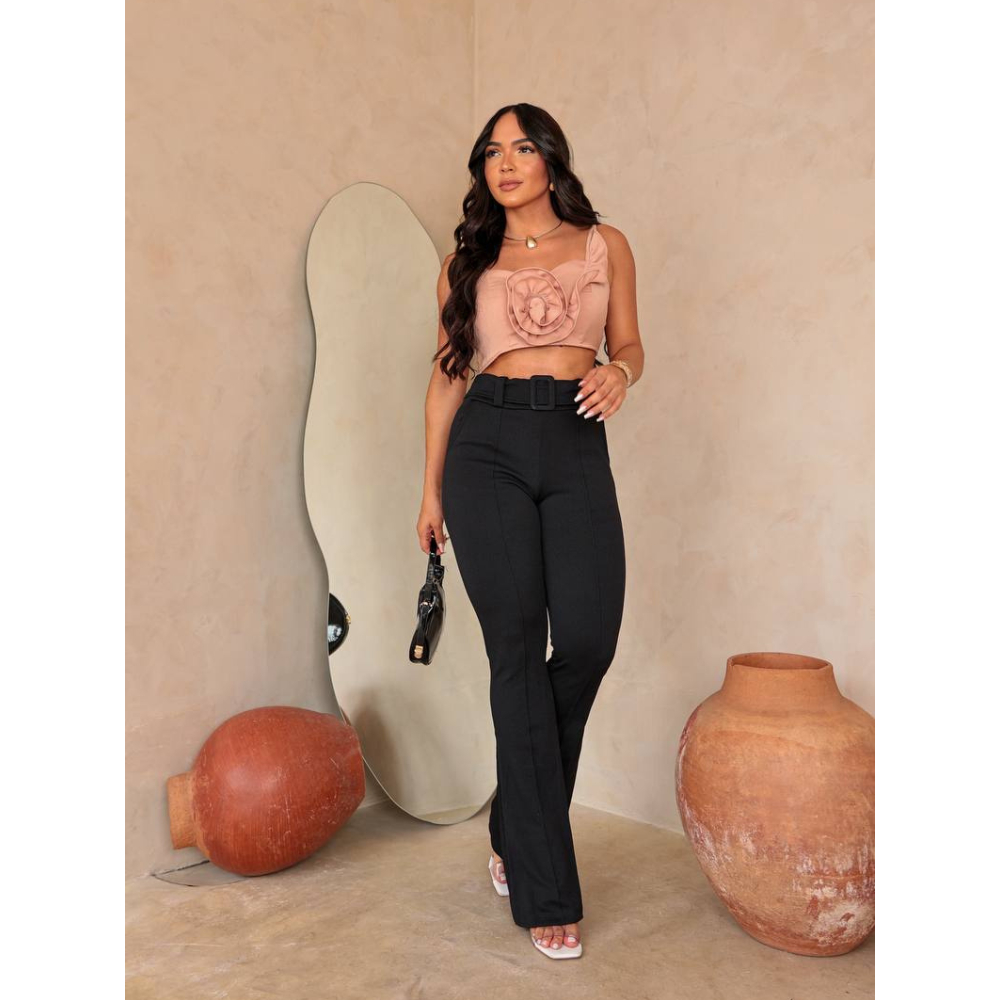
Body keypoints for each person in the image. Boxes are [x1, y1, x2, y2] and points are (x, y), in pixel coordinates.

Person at [416, 103, 645, 960]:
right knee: (515, 652)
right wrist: (430, 490)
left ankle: (515, 819)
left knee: (586, 641)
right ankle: (544, 887)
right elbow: (447, 376)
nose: (504, 163)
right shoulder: (465, 263)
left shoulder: (606, 245)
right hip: (487, 447)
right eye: (491, 152)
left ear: (551, 158)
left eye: (521, 147)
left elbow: (630, 344)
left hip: (576, 439)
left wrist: (621, 374)